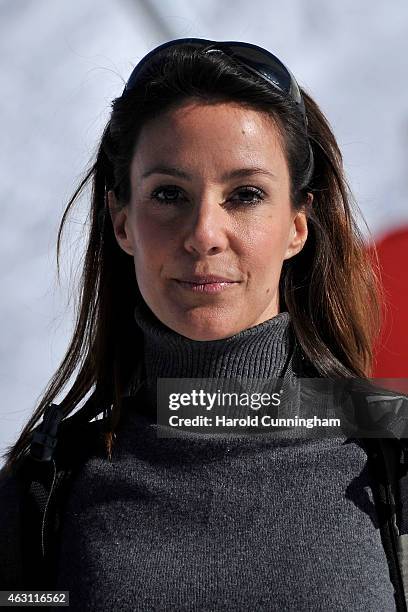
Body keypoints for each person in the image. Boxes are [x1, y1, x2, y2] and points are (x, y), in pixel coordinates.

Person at [0, 38, 403, 611]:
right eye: (169, 194)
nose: (205, 233)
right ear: (121, 221)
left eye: (245, 194)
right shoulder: (43, 499)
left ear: (297, 224)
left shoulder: (394, 452)